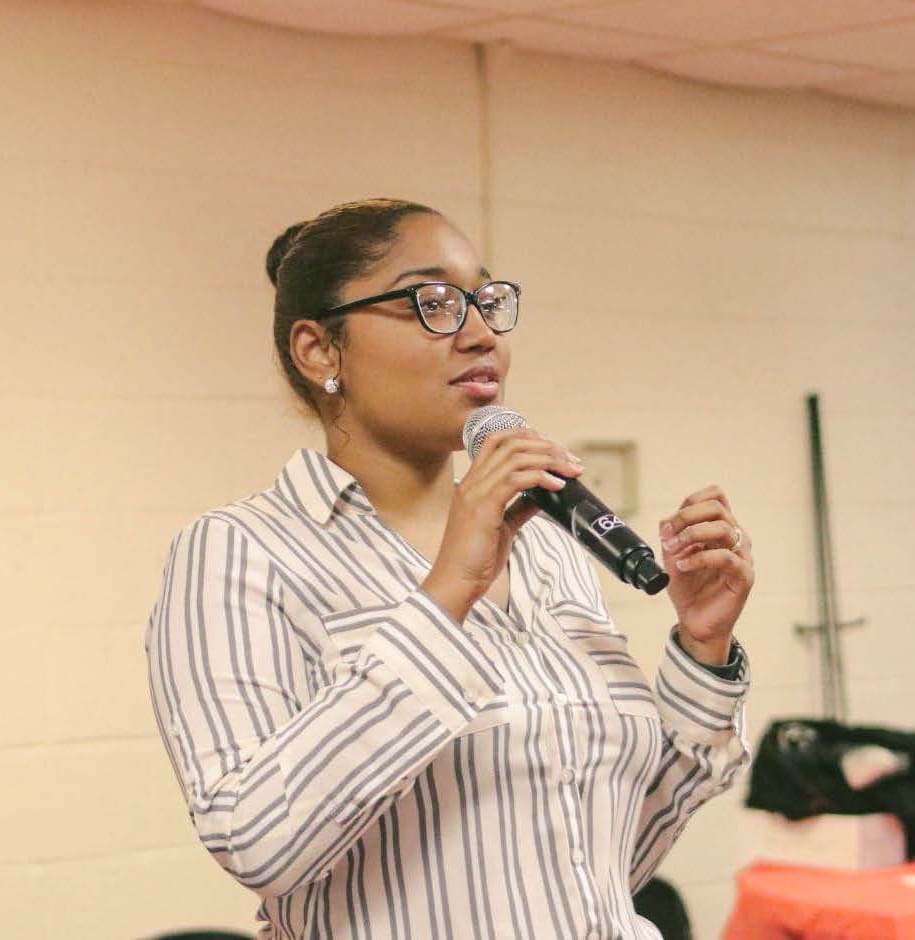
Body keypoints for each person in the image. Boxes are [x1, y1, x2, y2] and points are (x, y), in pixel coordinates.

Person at [145, 198, 756, 940]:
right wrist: (446, 596)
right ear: (319, 351)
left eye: (488, 302)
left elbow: (604, 855)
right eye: (430, 303)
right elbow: (255, 838)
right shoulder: (243, 550)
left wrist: (701, 649)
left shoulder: (547, 545)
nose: (479, 333)